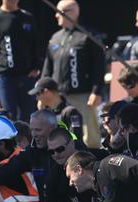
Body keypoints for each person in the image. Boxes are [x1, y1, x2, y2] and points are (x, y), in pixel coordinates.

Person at [42, 0, 105, 147]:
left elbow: (99, 66)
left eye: (59, 12)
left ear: (72, 12)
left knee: (89, 135)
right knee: (59, 131)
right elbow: (47, 67)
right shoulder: (55, 38)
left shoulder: (88, 35)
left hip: (83, 95)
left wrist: (97, 91)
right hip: (58, 97)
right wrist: (42, 92)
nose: (56, 16)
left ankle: (93, 161)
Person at [0, 0, 42, 120]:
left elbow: (36, 45)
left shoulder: (28, 17)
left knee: (29, 113)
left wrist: (36, 67)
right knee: (8, 113)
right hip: (4, 75)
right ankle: (11, 139)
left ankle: (28, 138)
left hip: (26, 75)